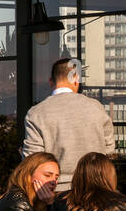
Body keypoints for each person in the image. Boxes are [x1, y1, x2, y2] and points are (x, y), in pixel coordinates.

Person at [23, 58, 114, 193]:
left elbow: (32, 158)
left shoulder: (37, 112)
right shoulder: (97, 108)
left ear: (51, 81)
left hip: (56, 191)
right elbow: (109, 150)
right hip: (96, 188)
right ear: (76, 80)